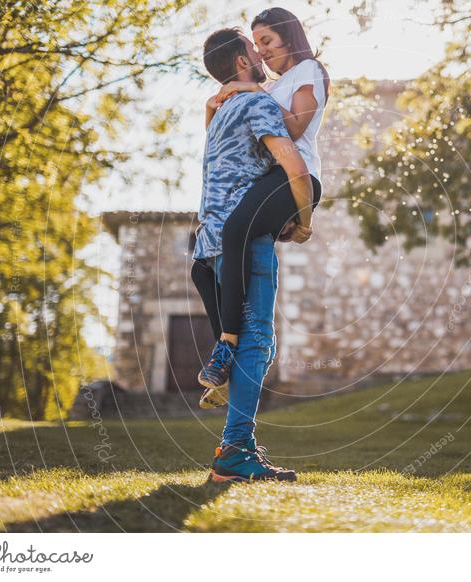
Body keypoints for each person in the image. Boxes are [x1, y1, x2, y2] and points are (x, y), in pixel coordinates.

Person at [191, 27, 314, 482]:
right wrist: (304, 221)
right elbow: (294, 165)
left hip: (210, 244)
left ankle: (234, 440)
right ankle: (235, 451)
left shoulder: (220, 111)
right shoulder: (256, 102)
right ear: (242, 62)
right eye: (253, 48)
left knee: (256, 342)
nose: (260, 54)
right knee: (258, 338)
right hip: (244, 240)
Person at [197, 7, 330, 395]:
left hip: (296, 176)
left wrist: (252, 90)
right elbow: (231, 141)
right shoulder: (270, 87)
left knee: (237, 229)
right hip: (270, 180)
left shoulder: (310, 72)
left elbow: (295, 126)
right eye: (257, 46)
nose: (263, 52)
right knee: (202, 265)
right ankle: (223, 354)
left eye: (268, 42)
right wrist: (213, 108)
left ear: (289, 37)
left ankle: (229, 343)